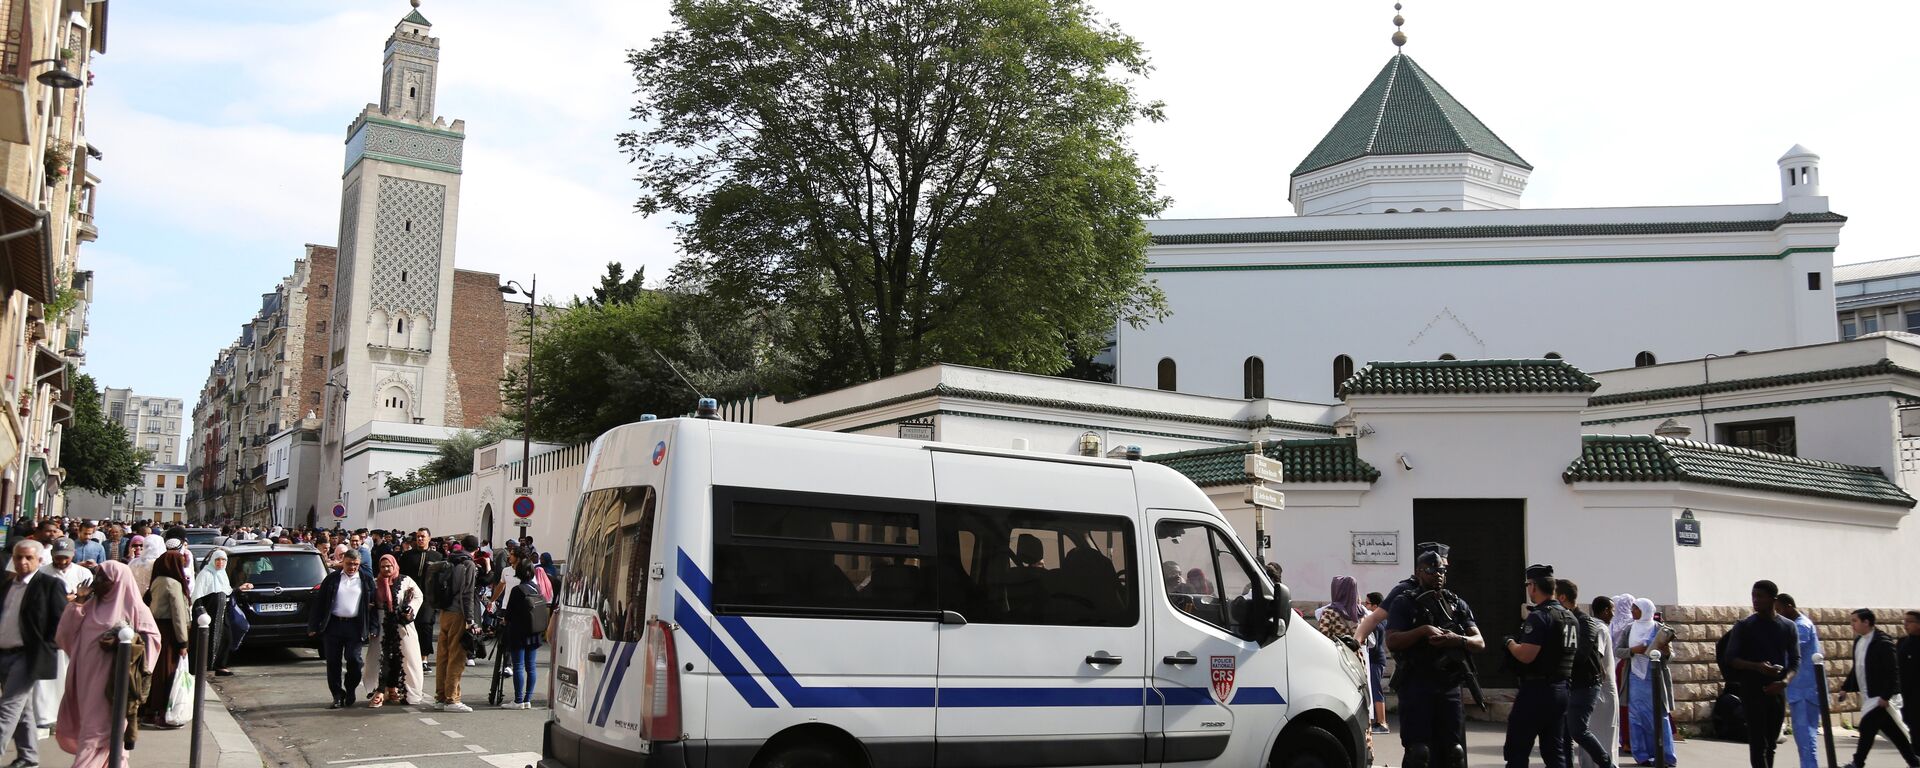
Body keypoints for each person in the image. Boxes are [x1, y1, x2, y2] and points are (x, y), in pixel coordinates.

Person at [56, 560, 160, 768]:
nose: (98, 582)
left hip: (114, 685)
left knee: (95, 735)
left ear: (118, 582)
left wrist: (129, 648)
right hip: (85, 680)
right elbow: (64, 636)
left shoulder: (136, 609)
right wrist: (78, 602)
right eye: (97, 576)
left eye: (104, 578)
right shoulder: (89, 605)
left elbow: (152, 642)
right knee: (105, 737)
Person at [1386, 545, 1482, 768]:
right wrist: (1423, 631)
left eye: (1441, 572)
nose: (1438, 576)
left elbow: (1479, 642)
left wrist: (1456, 639)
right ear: (1419, 572)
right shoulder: (1404, 602)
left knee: (1454, 752)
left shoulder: (1456, 603)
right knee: (1419, 752)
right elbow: (1392, 640)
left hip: (1448, 686)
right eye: (1432, 571)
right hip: (1417, 683)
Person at [1504, 565, 1579, 768]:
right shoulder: (1571, 617)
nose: (1528, 589)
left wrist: (1510, 644)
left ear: (1534, 586)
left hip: (1536, 691)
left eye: (1528, 585)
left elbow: (1526, 655)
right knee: (1554, 752)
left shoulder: (1539, 616)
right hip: (1561, 689)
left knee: (1517, 749)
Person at [0, 540, 67, 765]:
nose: (22, 562)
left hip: (27, 656)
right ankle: (28, 757)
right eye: (18, 557)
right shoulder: (7, 585)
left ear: (39, 560)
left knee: (7, 708)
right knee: (22, 709)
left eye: (28, 558)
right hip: (4, 653)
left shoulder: (49, 585)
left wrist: (46, 648)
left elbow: (60, 622)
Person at [1725, 580, 1799, 768]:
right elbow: (1731, 658)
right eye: (1753, 596)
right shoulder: (1744, 626)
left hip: (1777, 691)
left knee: (1771, 744)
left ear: (1773, 600)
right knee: (1758, 744)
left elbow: (1795, 661)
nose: (1755, 600)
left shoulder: (1788, 626)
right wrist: (1757, 666)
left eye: (1760, 596)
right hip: (1752, 690)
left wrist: (1784, 682)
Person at [1840, 609, 1918, 768]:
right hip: (1871, 696)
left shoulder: (1883, 642)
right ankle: (1914, 761)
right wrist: (1845, 688)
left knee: (1867, 727)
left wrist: (1886, 695)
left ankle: (1857, 762)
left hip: (1882, 696)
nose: (1852, 624)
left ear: (1866, 622)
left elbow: (1892, 671)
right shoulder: (1859, 642)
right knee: (1896, 734)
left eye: (1855, 621)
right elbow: (1858, 668)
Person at [1555, 581, 1617, 768]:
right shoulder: (1562, 619)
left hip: (1586, 685)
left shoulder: (1586, 622)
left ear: (1563, 597)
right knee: (1565, 732)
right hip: (1569, 684)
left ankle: (1607, 764)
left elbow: (1584, 656)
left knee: (1579, 730)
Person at [309, 549, 375, 710]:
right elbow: (319, 603)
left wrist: (373, 627)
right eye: (349, 564)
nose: (352, 567)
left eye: (355, 564)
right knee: (333, 662)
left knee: (354, 660)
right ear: (342, 562)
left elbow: (373, 606)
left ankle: (350, 688)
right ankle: (337, 695)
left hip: (355, 626)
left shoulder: (366, 580)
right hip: (333, 625)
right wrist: (313, 625)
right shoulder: (332, 579)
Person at [137, 549, 191, 730]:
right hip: (169, 633)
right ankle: (162, 712)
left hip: (155, 630)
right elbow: (178, 615)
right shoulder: (172, 583)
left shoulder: (157, 581)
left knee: (155, 670)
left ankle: (149, 711)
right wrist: (183, 642)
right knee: (167, 673)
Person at [362, 554, 425, 708]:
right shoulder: (375, 583)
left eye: (388, 566)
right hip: (382, 624)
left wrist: (410, 610)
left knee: (406, 657)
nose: (386, 569)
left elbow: (418, 596)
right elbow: (368, 602)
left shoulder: (406, 580)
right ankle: (380, 691)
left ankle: (400, 690)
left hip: (402, 625)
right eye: (383, 567)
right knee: (380, 658)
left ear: (394, 565)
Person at [1624, 598, 1676, 766]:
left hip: (1654, 677)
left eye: (1635, 609)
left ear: (1645, 610)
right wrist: (1633, 651)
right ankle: (1642, 755)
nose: (1632, 612)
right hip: (1635, 676)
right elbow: (1618, 650)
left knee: (1659, 716)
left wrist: (1666, 650)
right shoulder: (1629, 629)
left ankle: (1665, 757)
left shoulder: (1659, 628)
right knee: (1636, 717)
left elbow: (1670, 657)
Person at [434, 536, 483, 713]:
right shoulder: (468, 564)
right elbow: (467, 593)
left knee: (443, 656)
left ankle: (440, 696)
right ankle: (452, 698)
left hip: (445, 612)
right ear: (476, 549)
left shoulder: (450, 560)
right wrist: (470, 620)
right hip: (459, 613)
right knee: (457, 656)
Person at [1774, 594, 1822, 768]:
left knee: (1806, 737)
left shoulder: (1801, 627)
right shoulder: (1798, 624)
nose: (1777, 615)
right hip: (1800, 690)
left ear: (1789, 607)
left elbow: (1786, 649)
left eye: (1778, 610)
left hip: (1805, 692)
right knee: (1803, 738)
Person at [191, 550, 247, 677]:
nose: (220, 563)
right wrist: (200, 612)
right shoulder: (205, 574)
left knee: (226, 638)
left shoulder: (222, 574)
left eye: (223, 560)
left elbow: (226, 592)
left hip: (221, 614)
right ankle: (202, 667)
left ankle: (220, 666)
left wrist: (239, 589)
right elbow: (198, 595)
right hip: (208, 615)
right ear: (213, 561)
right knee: (207, 640)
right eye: (217, 560)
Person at [1583, 595, 1622, 768]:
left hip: (1599, 687)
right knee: (1605, 730)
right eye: (1612, 610)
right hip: (1603, 689)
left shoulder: (1593, 625)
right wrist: (1600, 676)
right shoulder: (1600, 628)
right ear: (1605, 611)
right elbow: (1596, 654)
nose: (1613, 614)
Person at [500, 562, 545, 709]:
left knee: (518, 666)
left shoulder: (517, 590)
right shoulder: (536, 588)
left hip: (518, 632)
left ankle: (518, 700)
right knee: (531, 667)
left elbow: (509, 613)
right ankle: (527, 700)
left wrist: (504, 620)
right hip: (534, 632)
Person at [398, 529, 442, 665]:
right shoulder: (407, 556)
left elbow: (441, 578)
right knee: (410, 624)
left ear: (429, 538)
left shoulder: (437, 557)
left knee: (426, 624)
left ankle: (424, 658)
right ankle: (409, 655)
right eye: (418, 537)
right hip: (410, 596)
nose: (420, 539)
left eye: (423, 537)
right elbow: (401, 575)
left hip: (429, 597)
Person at [1366, 591, 1390, 734]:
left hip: (1376, 659)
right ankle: (1378, 721)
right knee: (1374, 690)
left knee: (1376, 690)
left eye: (1367, 603)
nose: (1365, 606)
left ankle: (1382, 723)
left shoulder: (1377, 622)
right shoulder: (1380, 619)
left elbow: (1373, 644)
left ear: (1375, 606)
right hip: (1376, 659)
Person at [1902, 611, 1920, 755]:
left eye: (1910, 621)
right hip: (1906, 697)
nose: (1905, 624)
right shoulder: (1903, 643)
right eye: (1904, 621)